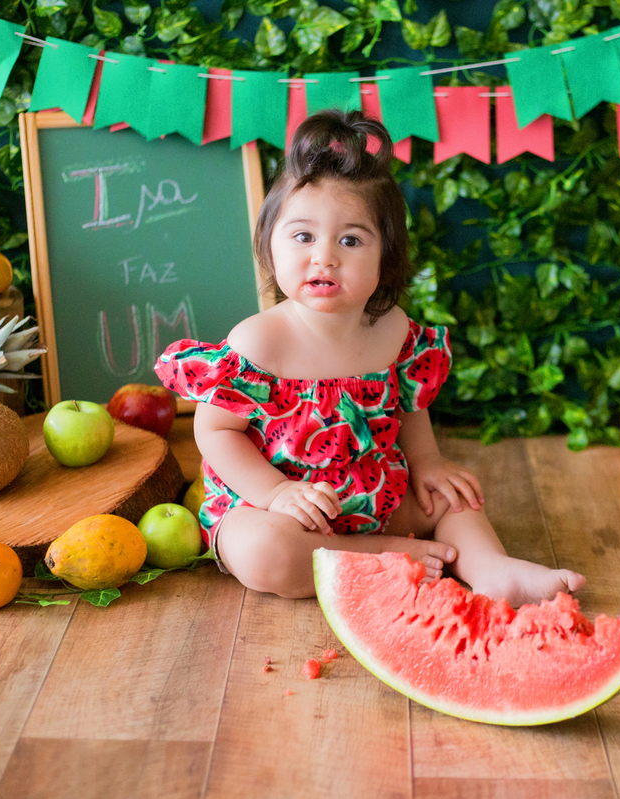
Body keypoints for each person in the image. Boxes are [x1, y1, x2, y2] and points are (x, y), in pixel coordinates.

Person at [156, 109, 585, 607]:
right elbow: (215, 433)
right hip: (287, 513)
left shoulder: (393, 329)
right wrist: (275, 493)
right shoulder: (259, 342)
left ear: (387, 258)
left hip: (372, 493)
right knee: (259, 551)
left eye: (351, 240)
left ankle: (492, 569)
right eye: (302, 236)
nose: (325, 256)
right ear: (269, 246)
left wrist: (426, 462)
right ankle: (375, 557)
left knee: (451, 496)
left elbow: (409, 406)